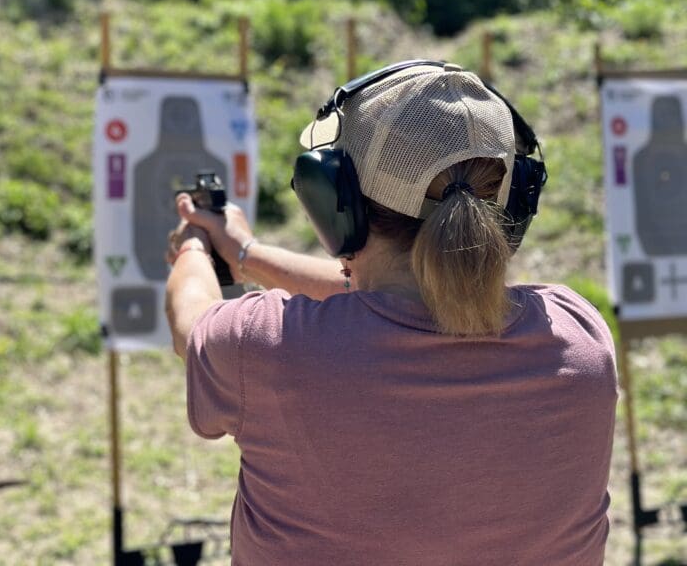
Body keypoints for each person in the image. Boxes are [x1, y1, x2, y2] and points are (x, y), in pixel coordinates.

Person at [164, 61, 617, 566]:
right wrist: (247, 253)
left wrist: (193, 249)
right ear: (516, 204)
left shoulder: (268, 350)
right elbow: (402, 299)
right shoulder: (580, 338)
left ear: (339, 204)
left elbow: (192, 322)